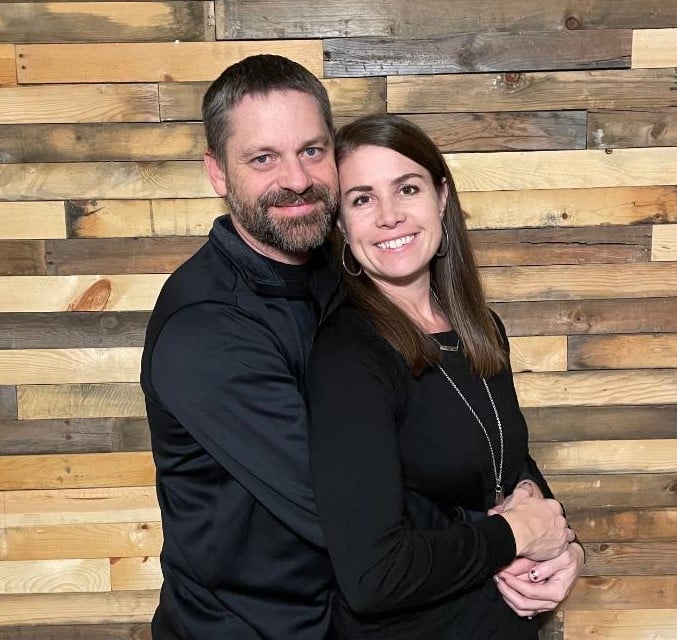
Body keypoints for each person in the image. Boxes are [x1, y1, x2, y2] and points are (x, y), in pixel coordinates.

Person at [306, 114, 584, 638]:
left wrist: (564, 549)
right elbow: (373, 577)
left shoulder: (480, 328)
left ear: (441, 197)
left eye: (407, 189)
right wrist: (514, 534)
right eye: (362, 199)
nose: (389, 216)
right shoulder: (349, 357)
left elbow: (506, 462)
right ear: (341, 225)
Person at [140, 55, 342, 639]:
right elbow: (343, 508)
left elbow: (450, 415)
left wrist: (531, 506)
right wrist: (507, 535)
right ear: (218, 173)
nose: (297, 179)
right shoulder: (205, 329)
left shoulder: (356, 271)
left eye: (312, 150)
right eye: (263, 159)